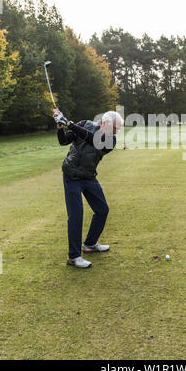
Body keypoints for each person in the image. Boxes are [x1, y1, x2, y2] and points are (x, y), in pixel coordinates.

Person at [53, 109, 123, 268]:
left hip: (89, 177)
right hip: (71, 176)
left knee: (102, 210)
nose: (116, 132)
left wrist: (70, 124)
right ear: (104, 123)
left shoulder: (110, 141)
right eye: (114, 128)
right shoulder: (84, 124)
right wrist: (60, 127)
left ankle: (90, 244)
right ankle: (74, 257)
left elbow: (93, 139)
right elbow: (63, 141)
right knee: (76, 216)